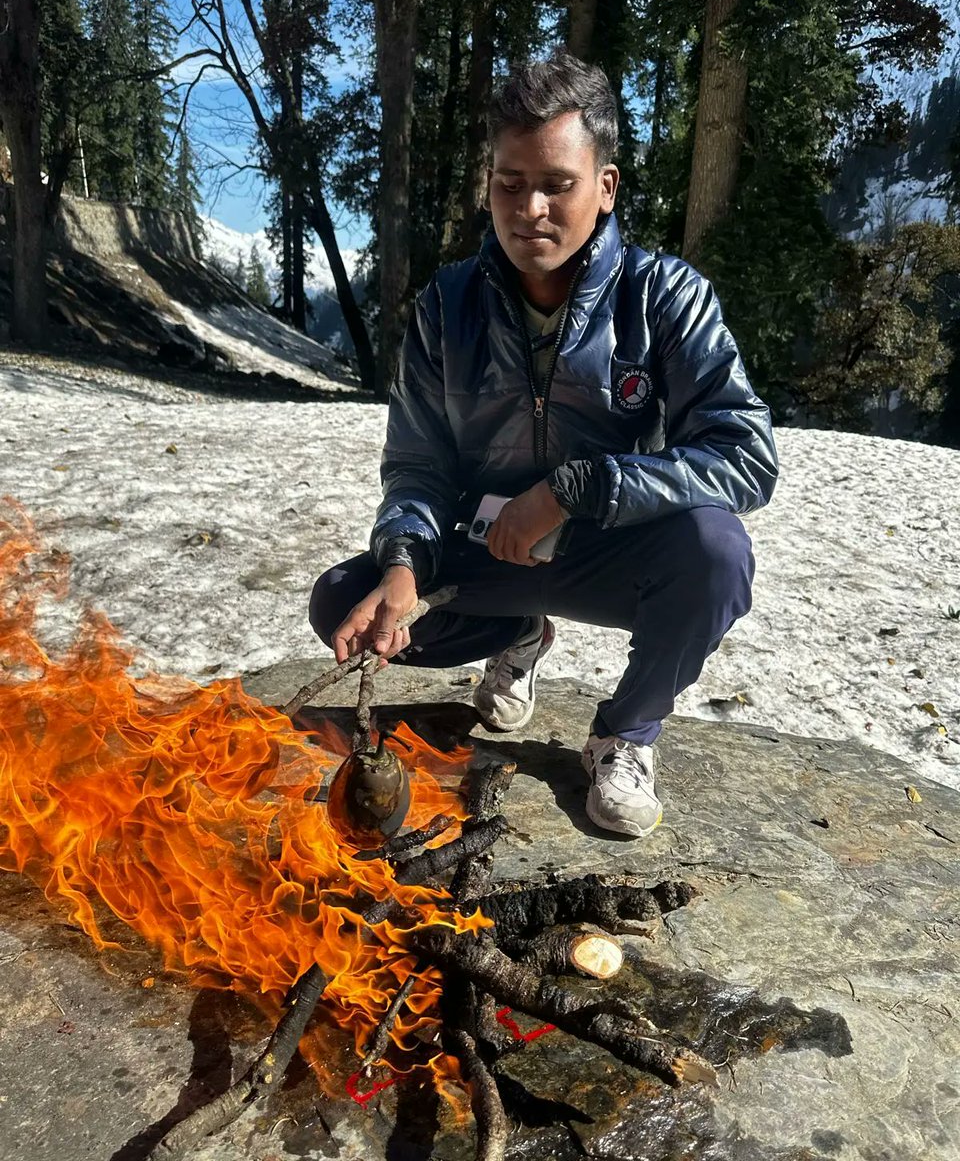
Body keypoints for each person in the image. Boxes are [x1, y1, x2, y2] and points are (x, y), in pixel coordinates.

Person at [309, 52, 778, 839]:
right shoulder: (447, 305)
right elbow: (420, 465)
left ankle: (625, 733)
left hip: (611, 551)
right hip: (484, 551)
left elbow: (745, 457)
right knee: (341, 602)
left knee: (717, 552)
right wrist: (402, 565)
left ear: (606, 187)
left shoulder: (665, 297)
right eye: (509, 182)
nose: (530, 208)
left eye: (557, 184)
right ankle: (517, 635)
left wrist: (573, 489)